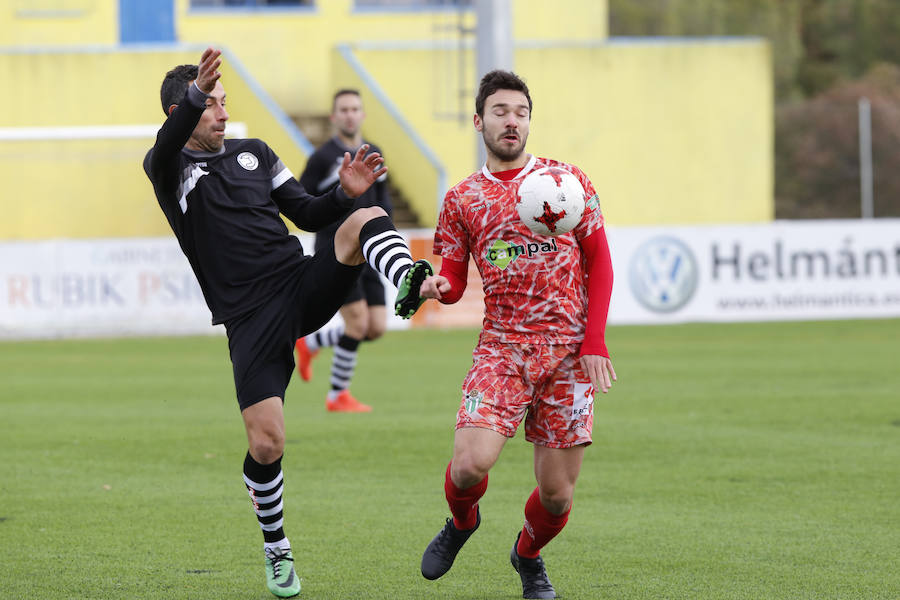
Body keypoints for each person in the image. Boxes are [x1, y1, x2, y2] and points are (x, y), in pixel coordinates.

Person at [143, 47, 432, 599]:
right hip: (248, 320)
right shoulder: (169, 168)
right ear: (183, 113)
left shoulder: (254, 152)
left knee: (364, 215)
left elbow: (305, 212)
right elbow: (167, 141)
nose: (222, 113)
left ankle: (403, 279)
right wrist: (195, 94)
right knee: (268, 443)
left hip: (297, 284)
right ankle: (277, 549)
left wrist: (342, 195)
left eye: (224, 102)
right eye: (209, 106)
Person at [417, 70, 616, 600]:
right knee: (467, 466)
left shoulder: (566, 184)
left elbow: (601, 263)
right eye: (501, 111)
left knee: (555, 496)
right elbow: (456, 281)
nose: (512, 121)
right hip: (502, 346)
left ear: (530, 121)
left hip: (570, 355)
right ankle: (461, 524)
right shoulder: (463, 199)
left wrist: (594, 342)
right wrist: (438, 285)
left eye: (521, 112)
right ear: (480, 121)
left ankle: (528, 558)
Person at [294, 89, 391, 412]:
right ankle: (337, 396)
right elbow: (302, 200)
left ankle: (309, 342)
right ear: (335, 117)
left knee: (376, 326)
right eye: (344, 110)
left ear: (362, 114)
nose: (350, 114)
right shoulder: (323, 158)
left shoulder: (375, 152)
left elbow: (382, 198)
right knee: (357, 324)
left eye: (355, 109)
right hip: (337, 250)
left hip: (370, 248)